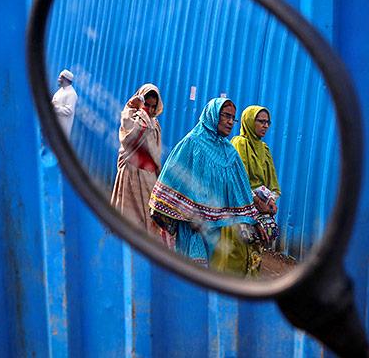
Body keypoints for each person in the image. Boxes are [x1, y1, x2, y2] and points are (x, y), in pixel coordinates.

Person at [149, 97, 268, 273]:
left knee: (213, 276)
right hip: (193, 228)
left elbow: (240, 189)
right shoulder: (192, 142)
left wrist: (254, 220)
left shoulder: (229, 153)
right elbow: (172, 176)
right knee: (191, 275)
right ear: (213, 115)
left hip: (219, 231)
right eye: (226, 116)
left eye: (233, 118)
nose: (230, 122)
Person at [110, 84, 164, 237]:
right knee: (128, 217)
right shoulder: (130, 117)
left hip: (148, 177)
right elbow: (128, 140)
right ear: (140, 101)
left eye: (154, 106)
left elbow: (156, 152)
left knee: (147, 220)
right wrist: (140, 114)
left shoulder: (155, 124)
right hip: (131, 174)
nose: (150, 109)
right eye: (147, 104)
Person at [231, 106, 281, 250]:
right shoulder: (240, 143)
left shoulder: (264, 148)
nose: (265, 125)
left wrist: (271, 200)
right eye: (261, 121)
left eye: (268, 122)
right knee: (238, 250)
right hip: (241, 208)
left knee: (254, 254)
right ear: (249, 121)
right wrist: (257, 202)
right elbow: (239, 179)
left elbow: (272, 182)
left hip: (261, 210)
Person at [51, 69, 78, 138]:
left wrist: (54, 108)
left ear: (66, 79)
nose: (58, 79)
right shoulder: (60, 91)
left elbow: (69, 110)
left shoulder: (72, 94)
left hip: (62, 129)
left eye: (60, 77)